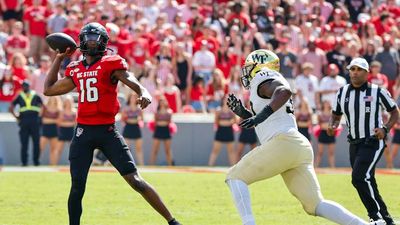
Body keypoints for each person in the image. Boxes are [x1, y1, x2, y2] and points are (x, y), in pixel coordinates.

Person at [43, 22, 181, 225]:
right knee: (77, 186)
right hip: (83, 132)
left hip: (108, 131)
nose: (91, 42)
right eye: (88, 38)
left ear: (103, 42)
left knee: (136, 181)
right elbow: (49, 89)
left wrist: (143, 92)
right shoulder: (75, 68)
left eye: (95, 38)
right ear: (81, 41)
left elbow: (130, 78)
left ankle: (172, 221)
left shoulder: (111, 63)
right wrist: (59, 58)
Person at [226, 49, 383, 225]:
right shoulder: (266, 85)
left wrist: (259, 116)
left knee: (235, 177)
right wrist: (245, 113)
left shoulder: (264, 77)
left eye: (249, 67)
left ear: (260, 67)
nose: (246, 72)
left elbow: (284, 92)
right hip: (296, 145)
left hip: (283, 142)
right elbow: (269, 118)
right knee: (315, 205)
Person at [328, 57, 398, 225]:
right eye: (352, 69)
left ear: (367, 73)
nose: (355, 72)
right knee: (368, 180)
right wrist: (333, 125)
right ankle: (387, 220)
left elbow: (395, 112)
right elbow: (336, 113)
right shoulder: (342, 91)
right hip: (354, 142)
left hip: (373, 141)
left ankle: (376, 217)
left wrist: (385, 129)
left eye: (359, 69)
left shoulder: (377, 91)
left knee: (358, 178)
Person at [9, 80, 42, 166]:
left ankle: (26, 162)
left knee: (26, 143)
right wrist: (40, 117)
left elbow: (11, 107)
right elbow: (44, 107)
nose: (25, 87)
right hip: (33, 120)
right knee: (32, 142)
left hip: (25, 120)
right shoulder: (35, 94)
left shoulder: (21, 95)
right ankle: (35, 162)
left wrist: (17, 117)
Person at [208, 96, 237, 166]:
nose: (227, 101)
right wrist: (223, 123)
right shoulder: (218, 110)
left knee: (231, 151)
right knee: (215, 150)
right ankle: (210, 165)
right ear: (223, 100)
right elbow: (216, 121)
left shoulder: (232, 110)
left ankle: (233, 167)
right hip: (220, 131)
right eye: (226, 99)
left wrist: (229, 122)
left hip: (229, 131)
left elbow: (235, 120)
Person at [149, 96, 174, 166]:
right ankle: (151, 165)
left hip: (166, 130)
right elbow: (155, 122)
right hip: (158, 130)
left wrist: (161, 122)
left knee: (168, 150)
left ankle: (170, 166)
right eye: (161, 102)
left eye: (164, 101)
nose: (162, 103)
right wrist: (162, 122)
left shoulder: (169, 112)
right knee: (155, 150)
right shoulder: (156, 112)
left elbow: (169, 122)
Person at [121, 92, 144, 166]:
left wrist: (136, 120)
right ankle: (126, 164)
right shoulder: (126, 108)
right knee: (126, 148)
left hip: (136, 128)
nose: (133, 99)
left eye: (135, 97)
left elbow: (142, 119)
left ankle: (141, 164)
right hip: (128, 128)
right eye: (132, 97)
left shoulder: (139, 108)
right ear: (129, 98)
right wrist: (130, 120)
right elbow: (123, 119)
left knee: (139, 148)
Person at [40, 96, 62, 165]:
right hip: (45, 130)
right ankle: (36, 163)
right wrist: (54, 120)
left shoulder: (59, 110)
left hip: (55, 131)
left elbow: (59, 121)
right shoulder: (44, 108)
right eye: (52, 98)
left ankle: (53, 165)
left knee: (53, 149)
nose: (53, 100)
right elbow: (43, 120)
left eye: (55, 99)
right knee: (40, 148)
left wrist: (48, 120)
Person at [56, 95, 76, 164]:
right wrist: (69, 123)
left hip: (71, 131)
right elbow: (58, 122)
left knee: (73, 150)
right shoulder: (62, 111)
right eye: (67, 101)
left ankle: (73, 164)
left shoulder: (74, 111)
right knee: (58, 150)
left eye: (69, 101)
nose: (68, 103)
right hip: (62, 131)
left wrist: (66, 123)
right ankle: (54, 164)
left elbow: (75, 123)